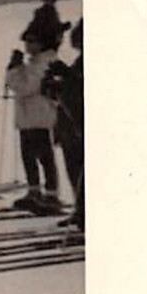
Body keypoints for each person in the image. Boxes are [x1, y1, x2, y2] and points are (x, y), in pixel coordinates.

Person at [4, 30, 63, 214]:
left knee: (43, 155)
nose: (27, 45)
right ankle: (34, 190)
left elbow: (25, 87)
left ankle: (51, 193)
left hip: (39, 116)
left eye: (32, 41)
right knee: (29, 155)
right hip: (29, 116)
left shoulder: (43, 63)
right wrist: (17, 68)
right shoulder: (34, 63)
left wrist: (14, 69)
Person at [45, 19, 84, 230]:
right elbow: (69, 89)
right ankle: (80, 210)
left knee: (82, 171)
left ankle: (85, 211)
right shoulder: (79, 62)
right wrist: (54, 87)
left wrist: (64, 81)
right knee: (74, 169)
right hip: (69, 126)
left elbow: (78, 90)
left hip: (79, 126)